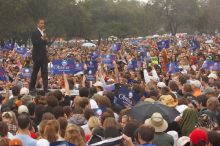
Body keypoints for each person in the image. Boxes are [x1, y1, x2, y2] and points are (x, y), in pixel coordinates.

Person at [29, 19, 49, 94]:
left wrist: (46, 39)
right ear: (37, 24)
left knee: (45, 72)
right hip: (37, 55)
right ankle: (31, 87)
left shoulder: (44, 32)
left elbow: (45, 43)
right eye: (41, 23)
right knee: (35, 72)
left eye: (43, 23)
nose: (42, 24)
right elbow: (34, 43)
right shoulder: (34, 32)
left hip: (44, 55)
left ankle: (46, 88)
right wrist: (41, 38)